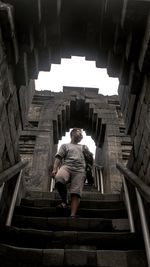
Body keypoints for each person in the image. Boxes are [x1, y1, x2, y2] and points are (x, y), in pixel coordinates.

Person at [52, 128, 92, 218]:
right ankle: (64, 201)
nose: (81, 135)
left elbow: (90, 160)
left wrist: (88, 154)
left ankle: (72, 214)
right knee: (59, 179)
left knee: (75, 192)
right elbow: (58, 157)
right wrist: (55, 169)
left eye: (82, 135)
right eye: (79, 133)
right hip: (67, 167)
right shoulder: (65, 145)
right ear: (72, 133)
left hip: (80, 170)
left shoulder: (83, 146)